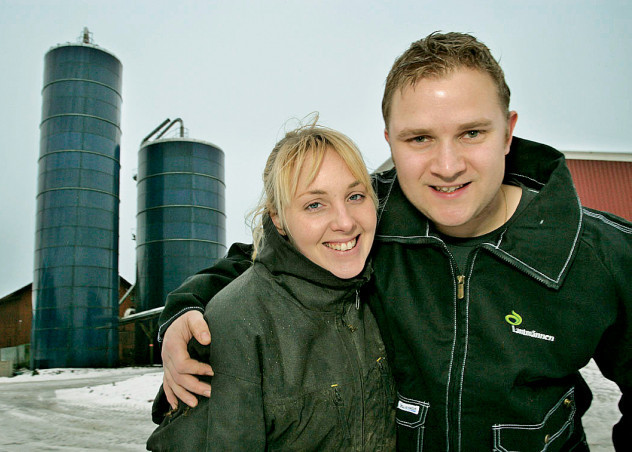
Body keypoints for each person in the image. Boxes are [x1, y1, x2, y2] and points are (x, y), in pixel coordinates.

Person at [156, 32, 631, 451]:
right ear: (390, 142)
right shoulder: (369, 218)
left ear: (508, 132)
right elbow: (272, 255)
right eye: (419, 138)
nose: (447, 166)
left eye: (471, 133)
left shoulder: (599, 255)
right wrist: (186, 308)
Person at [147, 121, 396, 451]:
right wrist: (183, 307)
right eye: (315, 204)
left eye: (355, 196)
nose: (345, 221)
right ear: (277, 218)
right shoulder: (237, 326)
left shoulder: (368, 291)